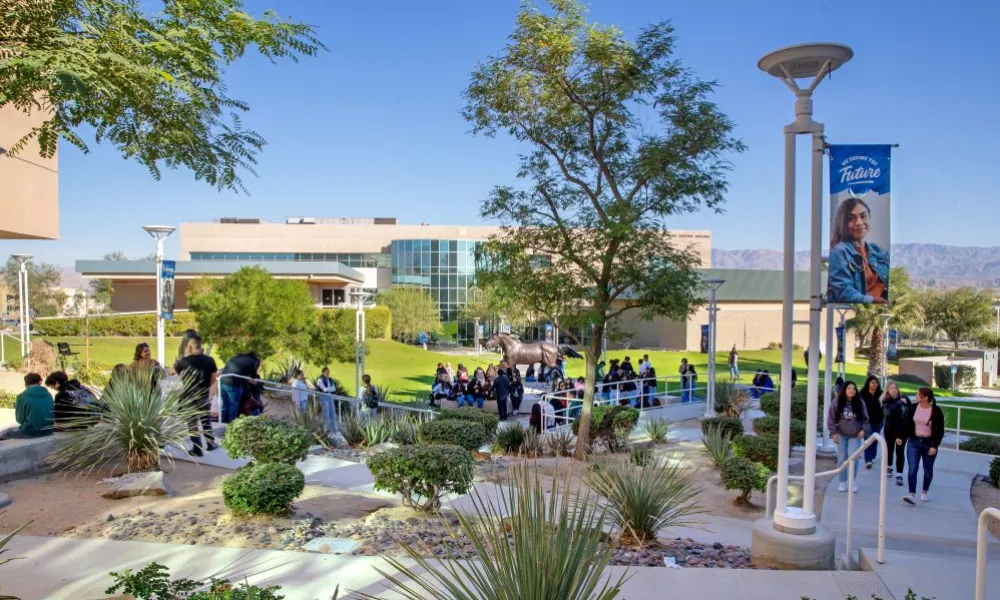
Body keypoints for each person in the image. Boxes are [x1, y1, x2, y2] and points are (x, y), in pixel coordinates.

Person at [828, 197, 889, 304]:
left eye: (863, 216)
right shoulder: (839, 252)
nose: (859, 222)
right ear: (842, 223)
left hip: (882, 310)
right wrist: (872, 300)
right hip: (858, 310)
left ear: (870, 217)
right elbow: (844, 292)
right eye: (851, 218)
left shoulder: (877, 250)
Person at [173, 335, 219, 457]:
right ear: (200, 346)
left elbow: (172, 371)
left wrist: (185, 356)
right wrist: (206, 387)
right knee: (205, 420)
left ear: (189, 347)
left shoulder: (183, 361)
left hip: (188, 396)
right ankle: (210, 443)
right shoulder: (210, 360)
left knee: (192, 423)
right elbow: (214, 377)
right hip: (203, 395)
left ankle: (197, 448)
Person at [899, 387, 945, 505]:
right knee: (912, 468)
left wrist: (935, 446)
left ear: (925, 398)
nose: (916, 396)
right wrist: (901, 437)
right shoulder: (913, 407)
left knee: (928, 470)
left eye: (918, 394)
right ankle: (911, 494)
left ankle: (924, 492)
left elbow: (940, 430)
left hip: (929, 444)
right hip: (913, 442)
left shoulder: (936, 411)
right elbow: (907, 423)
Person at [827, 381, 869, 493]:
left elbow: (865, 419)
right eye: (849, 388)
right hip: (841, 434)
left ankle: (852, 481)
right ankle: (842, 482)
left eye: (853, 388)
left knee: (853, 458)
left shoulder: (860, 402)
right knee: (842, 458)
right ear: (844, 390)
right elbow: (831, 418)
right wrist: (833, 432)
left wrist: (863, 430)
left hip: (855, 435)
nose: (851, 390)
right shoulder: (837, 401)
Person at [881, 382, 910, 487]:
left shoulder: (904, 399)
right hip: (890, 429)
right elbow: (889, 413)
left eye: (895, 388)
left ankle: (899, 474)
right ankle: (889, 467)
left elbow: (911, 411)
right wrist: (900, 403)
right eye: (891, 388)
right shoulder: (886, 401)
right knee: (890, 449)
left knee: (900, 452)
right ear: (888, 390)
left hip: (902, 431)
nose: (894, 390)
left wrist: (906, 402)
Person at [220, 352, 261, 423]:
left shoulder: (236, 357)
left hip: (222, 381)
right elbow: (254, 376)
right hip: (233, 384)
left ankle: (223, 421)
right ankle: (231, 422)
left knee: (225, 404)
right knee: (234, 404)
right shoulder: (251, 362)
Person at [10, 373, 53, 438]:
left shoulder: (21, 396)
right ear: (40, 382)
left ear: (26, 384)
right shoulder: (49, 395)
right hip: (49, 430)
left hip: (31, 432)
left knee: (5, 432)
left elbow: (19, 419)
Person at [859, 375, 885, 469]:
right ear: (868, 383)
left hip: (879, 420)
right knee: (868, 439)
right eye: (872, 382)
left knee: (875, 439)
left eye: (876, 382)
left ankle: (873, 456)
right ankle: (868, 460)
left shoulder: (881, 393)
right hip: (867, 420)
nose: (875, 384)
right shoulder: (863, 393)